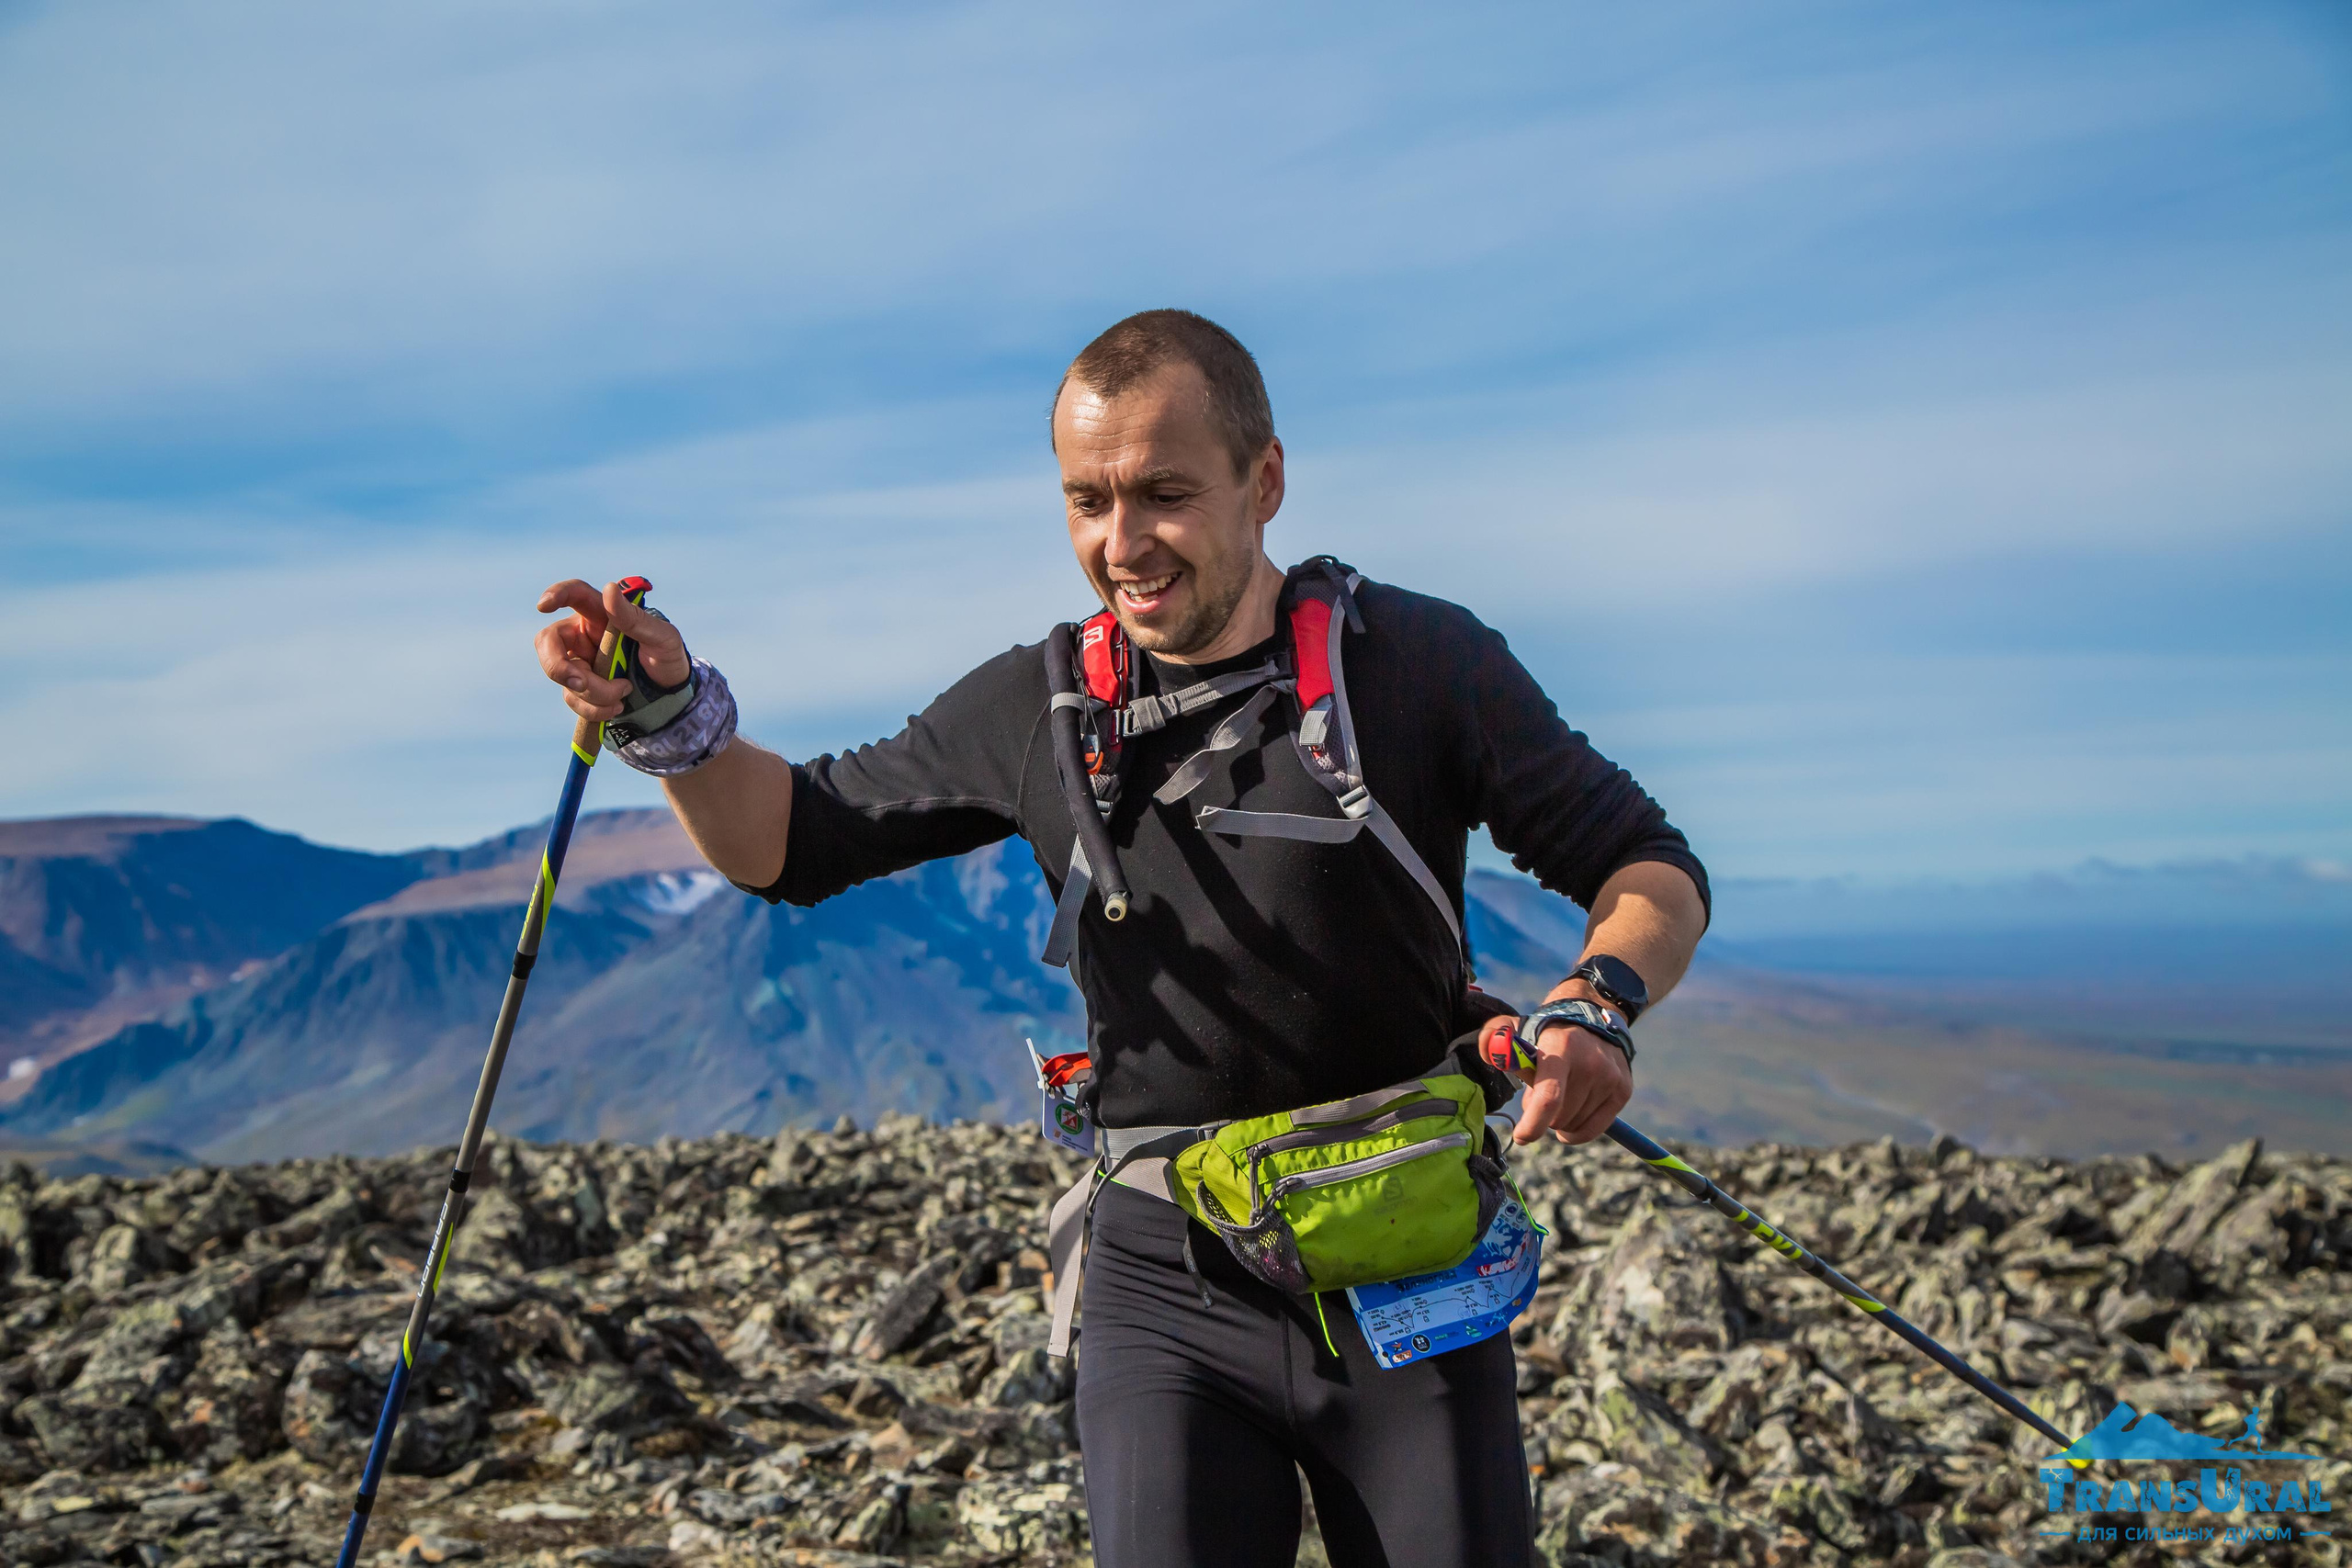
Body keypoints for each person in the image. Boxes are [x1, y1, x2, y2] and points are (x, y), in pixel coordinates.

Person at [535, 309, 1710, 1567]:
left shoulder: (1416, 663)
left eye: (1162, 493)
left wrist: (1598, 999)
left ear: (1264, 482)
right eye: (1087, 500)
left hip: (1406, 1250)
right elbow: (791, 843)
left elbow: (1646, 864)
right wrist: (668, 713)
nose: (1121, 542)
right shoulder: (1037, 706)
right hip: (1167, 1280)